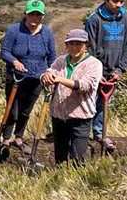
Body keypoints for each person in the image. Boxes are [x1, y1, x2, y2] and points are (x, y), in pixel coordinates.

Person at [84, 0, 127, 151]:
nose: (119, 5)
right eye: (115, 1)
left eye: (122, 1)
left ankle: (100, 134)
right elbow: (89, 46)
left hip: (115, 69)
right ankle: (82, 134)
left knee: (104, 104)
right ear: (106, 0)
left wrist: (121, 69)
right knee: (88, 101)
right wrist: (95, 71)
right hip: (96, 68)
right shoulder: (94, 19)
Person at [0, 0, 57, 148]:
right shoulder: (14, 30)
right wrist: (15, 62)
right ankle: (5, 137)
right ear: (25, 14)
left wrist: (50, 72)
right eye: (31, 14)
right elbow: (4, 51)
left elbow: (51, 56)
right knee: (13, 109)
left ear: (42, 16)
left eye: (38, 15)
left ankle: (18, 137)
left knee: (26, 110)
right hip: (16, 77)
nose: (34, 18)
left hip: (37, 78)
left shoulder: (47, 32)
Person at [42, 29, 102, 165]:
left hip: (80, 116)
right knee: (60, 156)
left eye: (78, 44)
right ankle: (60, 181)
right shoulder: (60, 61)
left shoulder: (94, 64)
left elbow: (85, 85)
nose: (74, 47)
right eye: (71, 44)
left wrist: (60, 79)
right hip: (59, 115)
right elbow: (49, 72)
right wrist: (45, 77)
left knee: (77, 158)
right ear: (66, 45)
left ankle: (75, 183)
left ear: (86, 45)